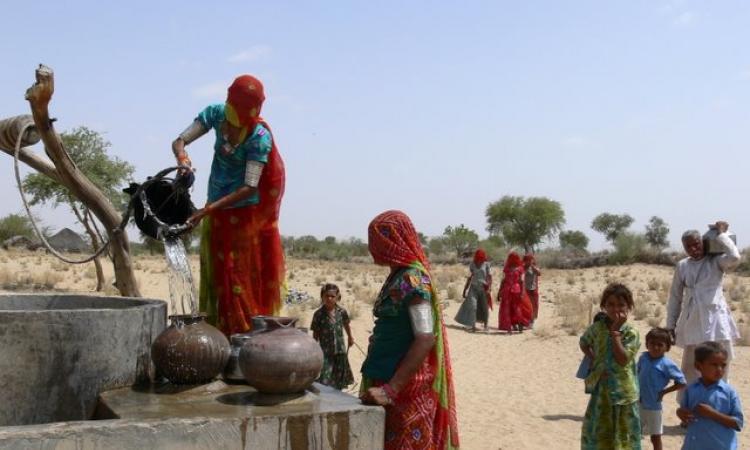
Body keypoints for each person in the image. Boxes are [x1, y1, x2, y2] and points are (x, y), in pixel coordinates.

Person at [171, 74, 286, 335]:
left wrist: (209, 209)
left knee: (239, 280)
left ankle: (244, 339)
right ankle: (219, 336)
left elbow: (249, 187)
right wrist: (182, 159)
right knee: (217, 277)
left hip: (244, 217)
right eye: (231, 105)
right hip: (214, 210)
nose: (233, 114)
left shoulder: (258, 137)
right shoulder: (217, 114)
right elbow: (179, 140)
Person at [360, 210, 459, 450]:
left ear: (392, 240)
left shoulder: (413, 280)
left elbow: (425, 338)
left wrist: (391, 390)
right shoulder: (397, 276)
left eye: (377, 240)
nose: (373, 247)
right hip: (384, 373)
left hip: (405, 387)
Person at [666, 221, 741, 396]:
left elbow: (735, 257)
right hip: (692, 321)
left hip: (716, 320)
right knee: (691, 367)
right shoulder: (683, 265)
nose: (693, 249)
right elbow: (675, 298)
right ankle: (689, 408)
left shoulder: (716, 261)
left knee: (721, 364)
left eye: (696, 244)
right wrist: (670, 326)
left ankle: (719, 405)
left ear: (703, 243)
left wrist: (721, 234)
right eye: (689, 246)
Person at [579, 283, 641, 450]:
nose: (615, 309)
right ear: (604, 306)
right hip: (602, 392)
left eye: (621, 305)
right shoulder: (597, 328)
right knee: (599, 436)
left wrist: (615, 332)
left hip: (623, 394)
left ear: (629, 307)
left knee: (623, 439)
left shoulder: (631, 333)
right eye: (611, 305)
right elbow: (584, 342)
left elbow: (623, 359)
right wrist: (594, 360)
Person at [677, 341, 743, 450]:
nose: (720, 370)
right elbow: (684, 412)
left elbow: (738, 423)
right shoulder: (691, 389)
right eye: (714, 365)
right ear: (698, 366)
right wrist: (680, 413)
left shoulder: (729, 393)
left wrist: (712, 414)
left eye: (723, 365)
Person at [637, 327, 686, 450]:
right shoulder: (643, 358)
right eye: (652, 344)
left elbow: (681, 382)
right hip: (638, 402)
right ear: (647, 344)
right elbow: (636, 374)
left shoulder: (667, 364)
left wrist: (664, 392)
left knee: (655, 436)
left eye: (660, 345)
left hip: (654, 405)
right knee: (634, 433)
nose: (656, 347)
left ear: (667, 347)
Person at [310, 283, 355, 390]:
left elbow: (346, 324)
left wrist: (350, 337)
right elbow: (315, 333)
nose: (329, 299)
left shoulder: (342, 312)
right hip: (325, 352)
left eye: (332, 296)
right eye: (326, 296)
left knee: (339, 378)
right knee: (325, 379)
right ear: (322, 296)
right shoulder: (318, 314)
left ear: (337, 297)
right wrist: (314, 348)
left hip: (340, 351)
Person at [454, 249, 492, 332]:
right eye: (479, 258)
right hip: (473, 288)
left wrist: (489, 288)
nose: (480, 260)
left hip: (483, 288)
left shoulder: (486, 265)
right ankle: (473, 326)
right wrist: (465, 289)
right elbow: (469, 278)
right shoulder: (472, 265)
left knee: (485, 307)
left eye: (482, 258)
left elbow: (489, 277)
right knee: (473, 306)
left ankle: (486, 325)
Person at [497, 252, 533, 333]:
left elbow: (503, 281)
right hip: (516, 290)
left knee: (508, 309)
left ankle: (509, 328)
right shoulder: (520, 269)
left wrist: (499, 291)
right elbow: (522, 281)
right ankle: (519, 326)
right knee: (517, 308)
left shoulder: (507, 269)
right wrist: (522, 292)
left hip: (507, 290)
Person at [523, 253, 541, 327]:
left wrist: (533, 267)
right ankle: (526, 320)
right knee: (526, 306)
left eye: (531, 259)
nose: (529, 261)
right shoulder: (523, 268)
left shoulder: (534, 267)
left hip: (533, 289)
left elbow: (539, 273)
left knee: (534, 305)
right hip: (525, 289)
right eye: (528, 260)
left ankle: (532, 321)